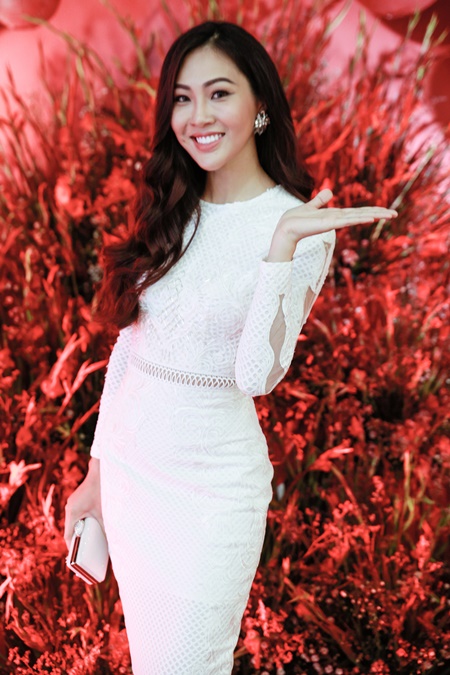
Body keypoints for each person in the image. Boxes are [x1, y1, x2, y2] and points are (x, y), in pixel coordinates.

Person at [64, 20, 397, 674]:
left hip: (212, 496)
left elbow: (255, 376)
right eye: (182, 98)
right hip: (130, 479)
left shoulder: (299, 226)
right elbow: (131, 351)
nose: (199, 116)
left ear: (261, 104)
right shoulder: (172, 205)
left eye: (219, 93)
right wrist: (96, 474)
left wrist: (280, 251)